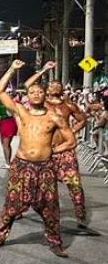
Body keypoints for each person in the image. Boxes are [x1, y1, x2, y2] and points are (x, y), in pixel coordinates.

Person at [0, 60, 76, 257]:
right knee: (12, 204)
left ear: (44, 95)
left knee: (50, 207)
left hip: (45, 168)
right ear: (27, 96)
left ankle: (54, 241)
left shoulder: (54, 117)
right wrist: (12, 69)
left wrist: (53, 151)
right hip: (21, 165)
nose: (36, 94)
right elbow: (0, 91)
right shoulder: (21, 112)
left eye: (39, 92)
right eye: (32, 92)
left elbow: (71, 141)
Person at [24, 61, 91, 229]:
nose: (54, 86)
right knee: (32, 183)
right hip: (45, 151)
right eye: (51, 84)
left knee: (74, 184)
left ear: (62, 89)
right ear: (46, 89)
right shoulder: (42, 103)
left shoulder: (68, 105)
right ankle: (20, 209)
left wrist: (73, 130)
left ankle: (80, 216)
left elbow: (83, 119)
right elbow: (28, 85)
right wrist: (45, 69)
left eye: (57, 85)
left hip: (65, 151)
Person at [0, 94, 17, 167]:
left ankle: (8, 163)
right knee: (7, 145)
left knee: (5, 145)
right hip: (11, 123)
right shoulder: (9, 104)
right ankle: (7, 162)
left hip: (5, 124)